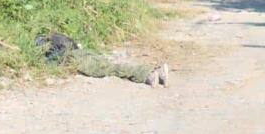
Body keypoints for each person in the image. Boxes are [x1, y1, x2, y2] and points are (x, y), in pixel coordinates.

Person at [35, 33, 167, 87]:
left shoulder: (42, 45)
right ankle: (157, 72)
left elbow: (51, 61)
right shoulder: (49, 37)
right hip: (81, 53)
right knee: (112, 65)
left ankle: (148, 74)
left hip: (74, 58)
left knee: (112, 69)